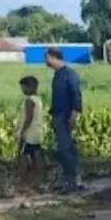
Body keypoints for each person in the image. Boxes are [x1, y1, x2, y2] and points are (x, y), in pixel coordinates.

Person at [45, 47, 83, 193]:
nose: (45, 61)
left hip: (64, 116)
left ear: (53, 57)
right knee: (65, 149)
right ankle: (72, 179)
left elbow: (76, 94)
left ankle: (71, 181)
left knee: (65, 149)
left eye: (46, 58)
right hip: (58, 115)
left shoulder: (69, 74)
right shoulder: (57, 75)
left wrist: (74, 113)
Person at [15, 75, 45, 191]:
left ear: (29, 87)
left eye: (23, 87)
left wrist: (21, 131)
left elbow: (28, 118)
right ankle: (38, 179)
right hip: (37, 131)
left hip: (29, 133)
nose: (22, 90)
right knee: (36, 154)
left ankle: (24, 180)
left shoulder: (29, 101)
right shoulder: (38, 99)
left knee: (22, 155)